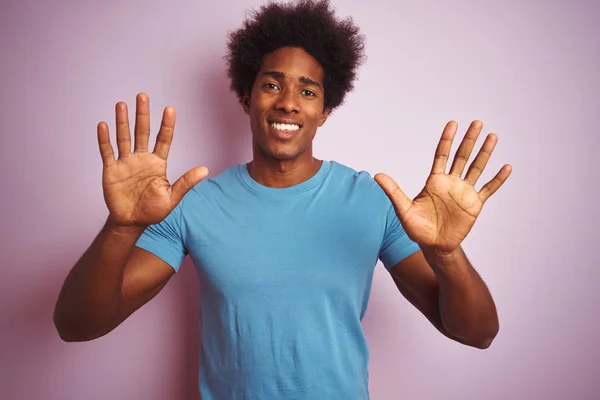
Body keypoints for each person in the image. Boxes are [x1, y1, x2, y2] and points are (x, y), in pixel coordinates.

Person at [53, 0, 512, 398]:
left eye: (307, 91)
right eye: (272, 85)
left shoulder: (370, 202)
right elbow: (77, 325)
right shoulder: (192, 205)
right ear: (246, 97)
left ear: (325, 112)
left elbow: (477, 333)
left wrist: (447, 254)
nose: (288, 102)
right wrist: (122, 228)